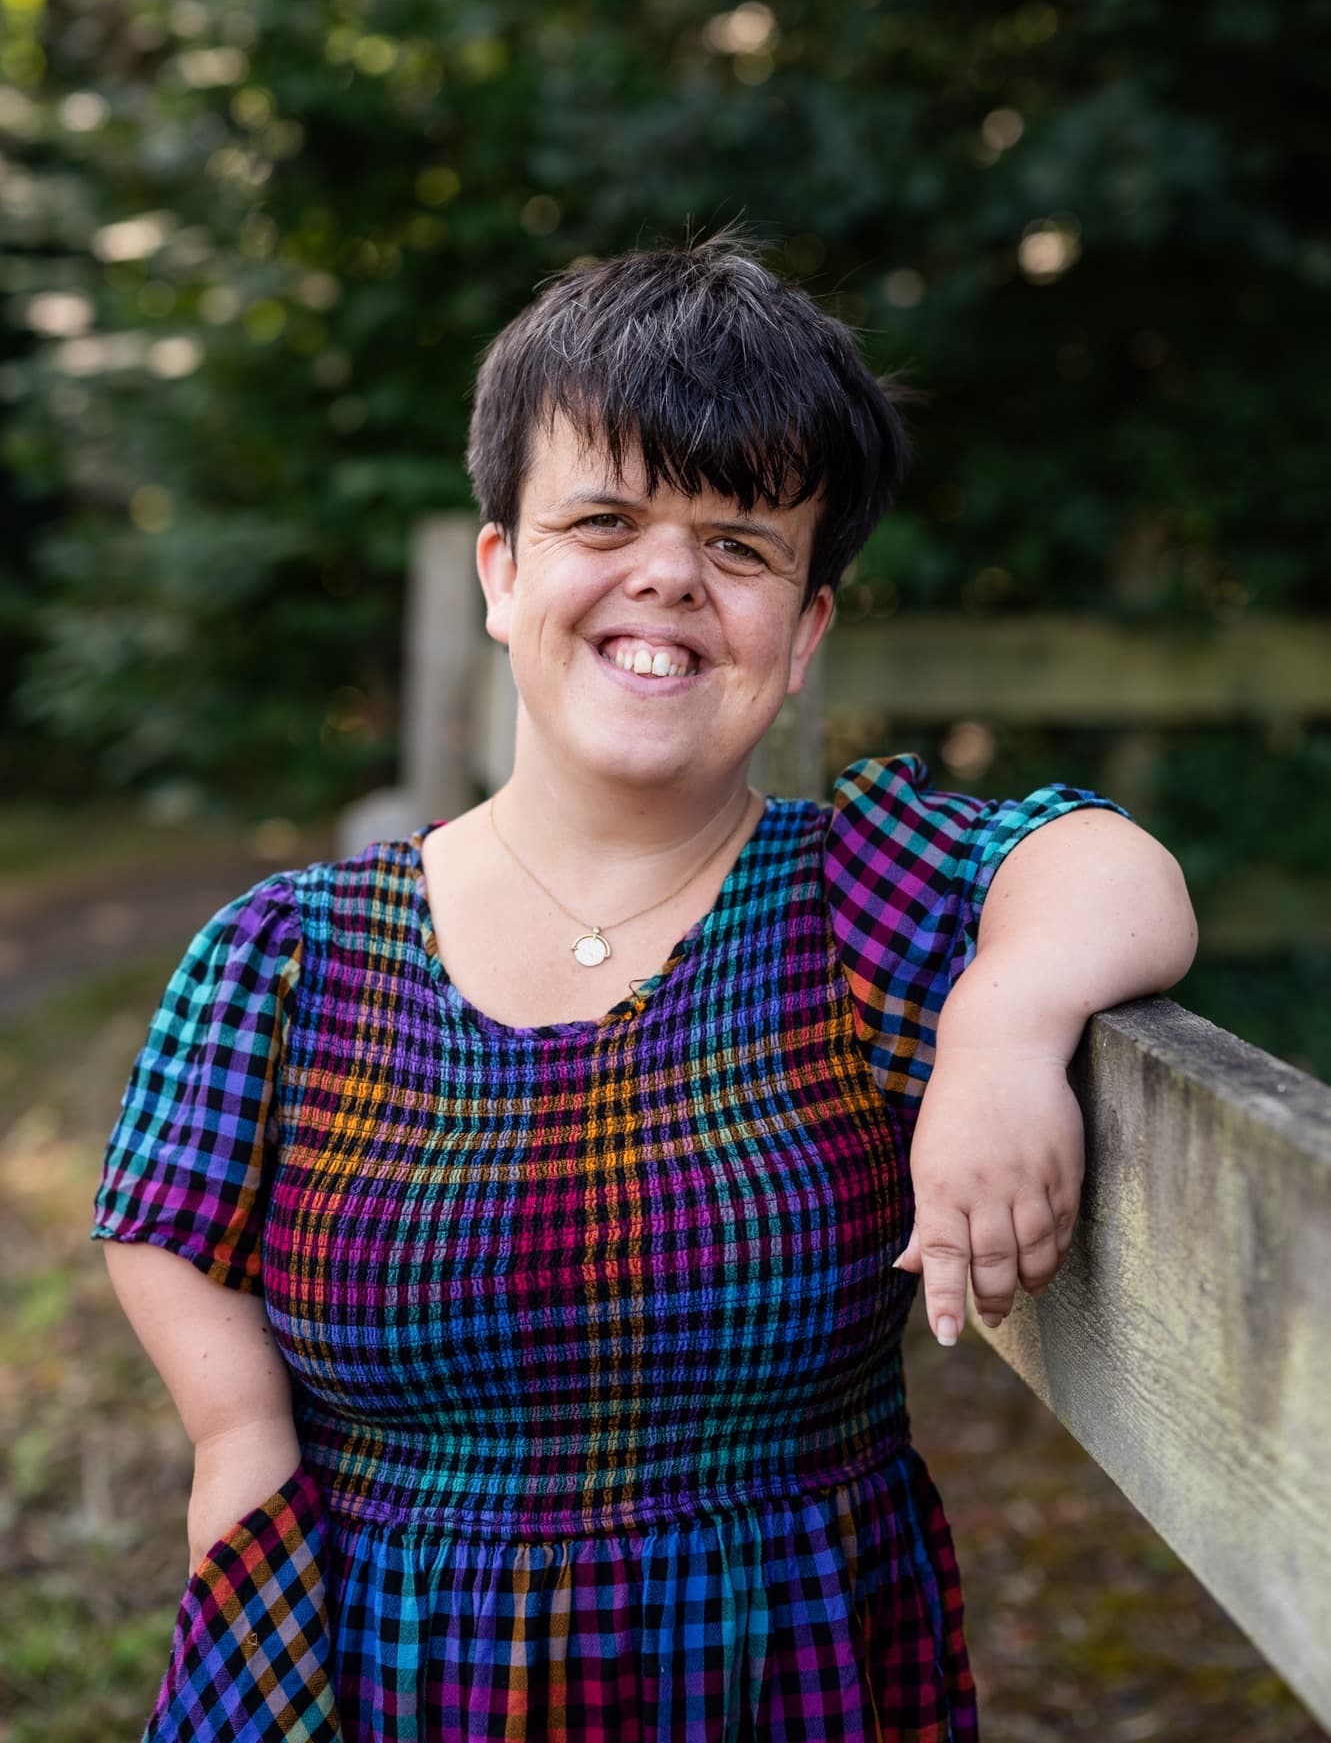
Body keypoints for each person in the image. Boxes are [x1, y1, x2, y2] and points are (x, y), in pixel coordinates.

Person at [93, 231, 1198, 1742]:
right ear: (504, 572)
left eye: (741, 544)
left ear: (803, 632)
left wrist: (1002, 1029)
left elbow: (1111, 862)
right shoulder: (290, 953)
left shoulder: (853, 897)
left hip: (777, 1662)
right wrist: (236, 1427)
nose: (669, 576)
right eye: (605, 518)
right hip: (388, 1656)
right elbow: (165, 1218)